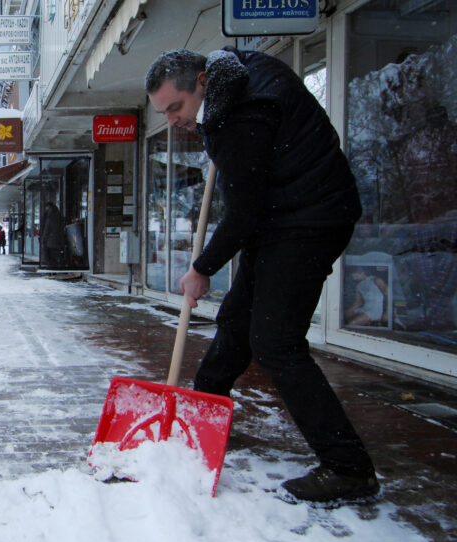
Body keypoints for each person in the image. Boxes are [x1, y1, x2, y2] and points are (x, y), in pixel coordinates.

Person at [145, 48, 379, 504]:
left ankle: (348, 468)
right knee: (236, 320)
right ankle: (201, 412)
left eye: (176, 107)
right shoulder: (236, 75)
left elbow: (243, 213)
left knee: (276, 342)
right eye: (163, 112)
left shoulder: (243, 116)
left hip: (309, 221)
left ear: (204, 81)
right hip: (282, 218)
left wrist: (201, 268)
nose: (172, 120)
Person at [40, 202, 65, 269]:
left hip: (50, 240)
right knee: (56, 256)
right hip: (58, 239)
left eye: (46, 207)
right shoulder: (58, 214)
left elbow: (47, 229)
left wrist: (43, 239)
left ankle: (52, 269)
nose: (45, 209)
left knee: (50, 257)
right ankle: (56, 267)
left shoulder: (50, 216)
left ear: (48, 207)